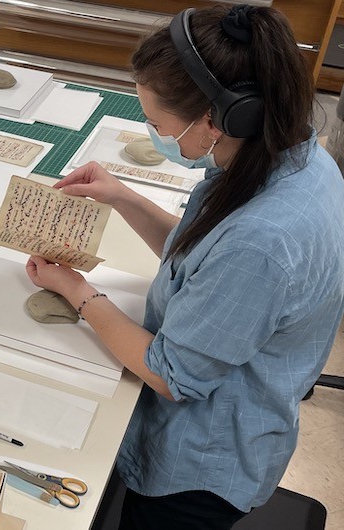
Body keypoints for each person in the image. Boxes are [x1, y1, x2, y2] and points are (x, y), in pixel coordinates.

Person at [25, 4, 344, 529]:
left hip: (198, 468)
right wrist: (121, 196)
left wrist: (78, 291)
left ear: (220, 119)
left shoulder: (263, 240)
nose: (151, 131)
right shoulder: (291, 157)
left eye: (155, 122)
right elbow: (199, 257)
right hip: (220, 420)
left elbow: (172, 374)